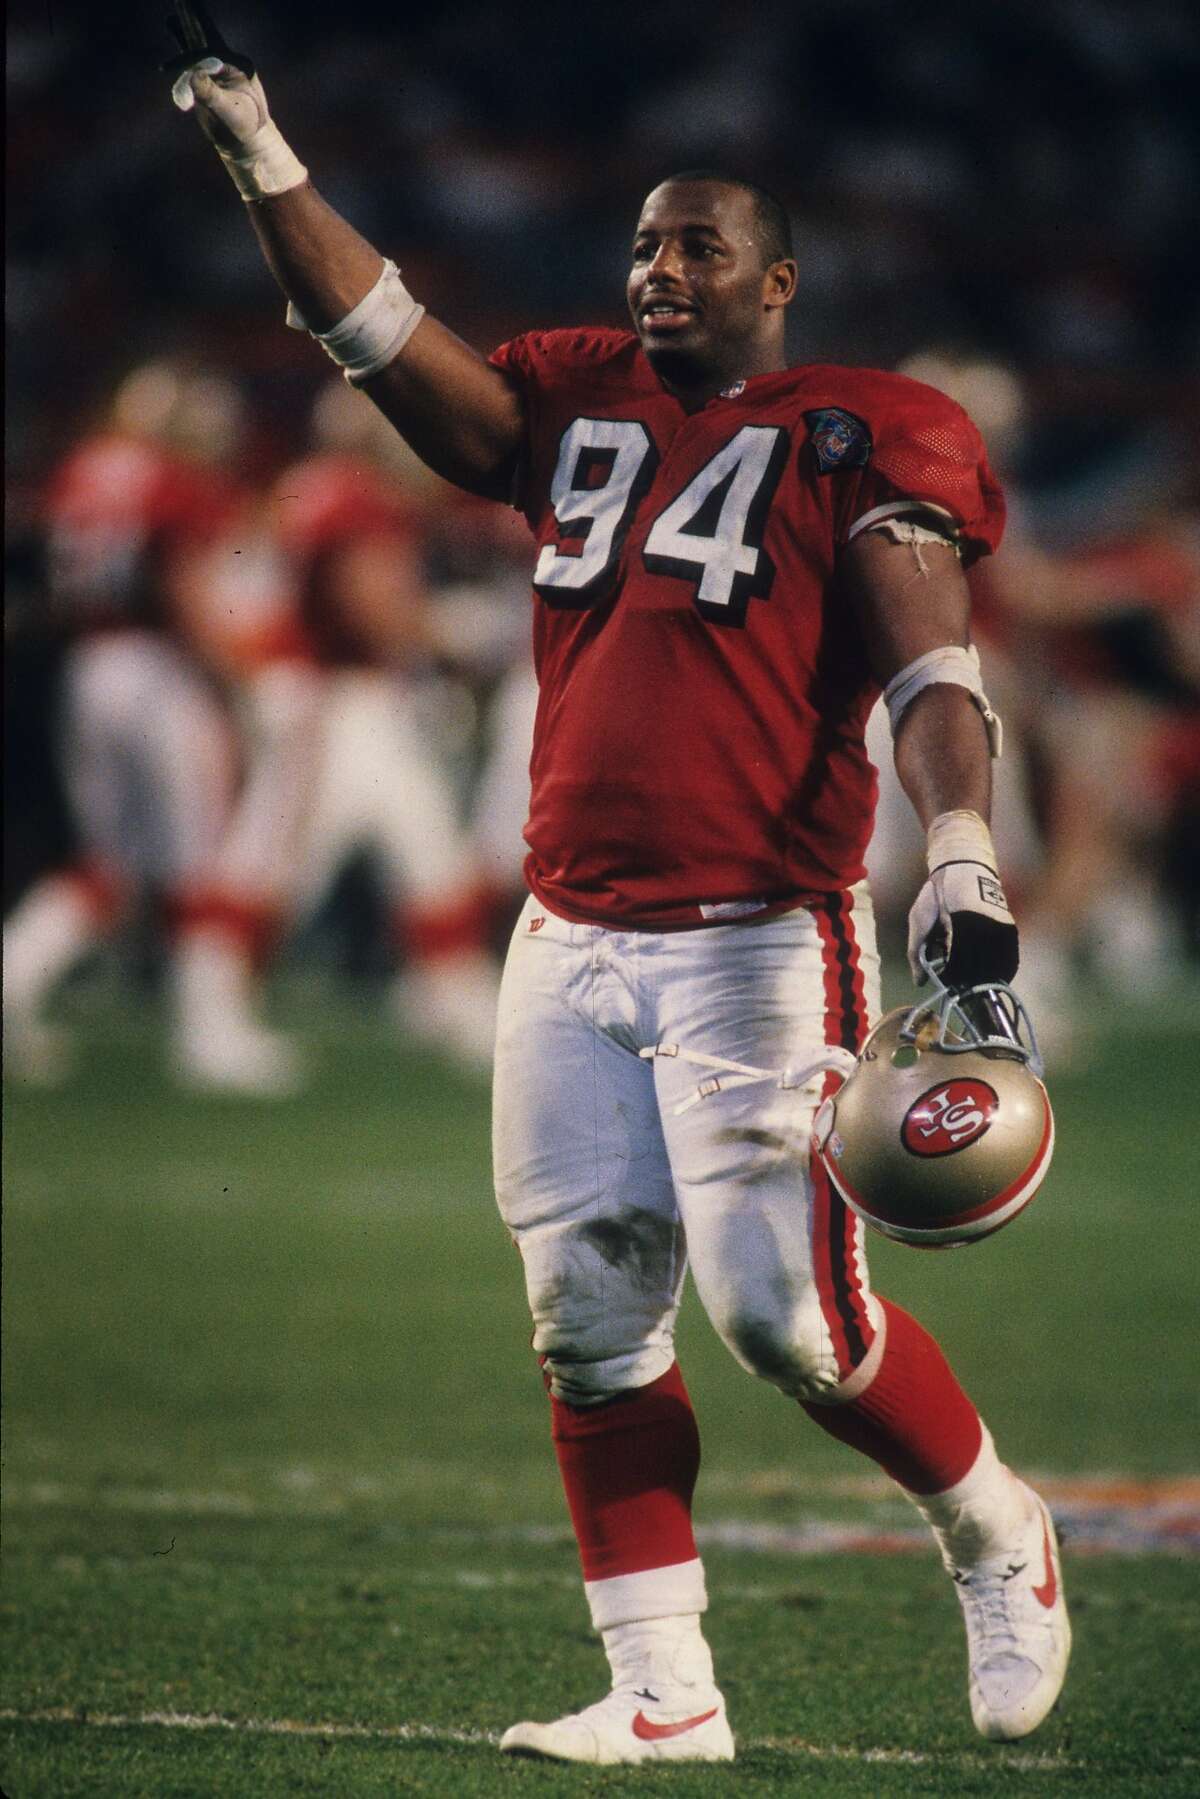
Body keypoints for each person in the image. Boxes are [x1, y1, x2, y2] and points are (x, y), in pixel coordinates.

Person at [168, 23, 1071, 1765]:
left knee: (784, 1314)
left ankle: (994, 1526)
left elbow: (931, 670)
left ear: (779, 279)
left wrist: (960, 848)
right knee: (587, 1314)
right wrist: (261, 156)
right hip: (567, 925)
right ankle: (667, 1688)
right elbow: (380, 342)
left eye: (700, 244)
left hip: (759, 934)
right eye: (645, 243)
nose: (660, 268)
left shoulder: (863, 428)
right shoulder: (574, 395)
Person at [3, 358, 299, 1095]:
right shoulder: (170, 482)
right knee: (200, 857)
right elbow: (184, 588)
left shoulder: (82, 470)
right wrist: (246, 678)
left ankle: (13, 977)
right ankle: (209, 1035)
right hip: (155, 672)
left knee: (109, 863)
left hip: (88, 668)